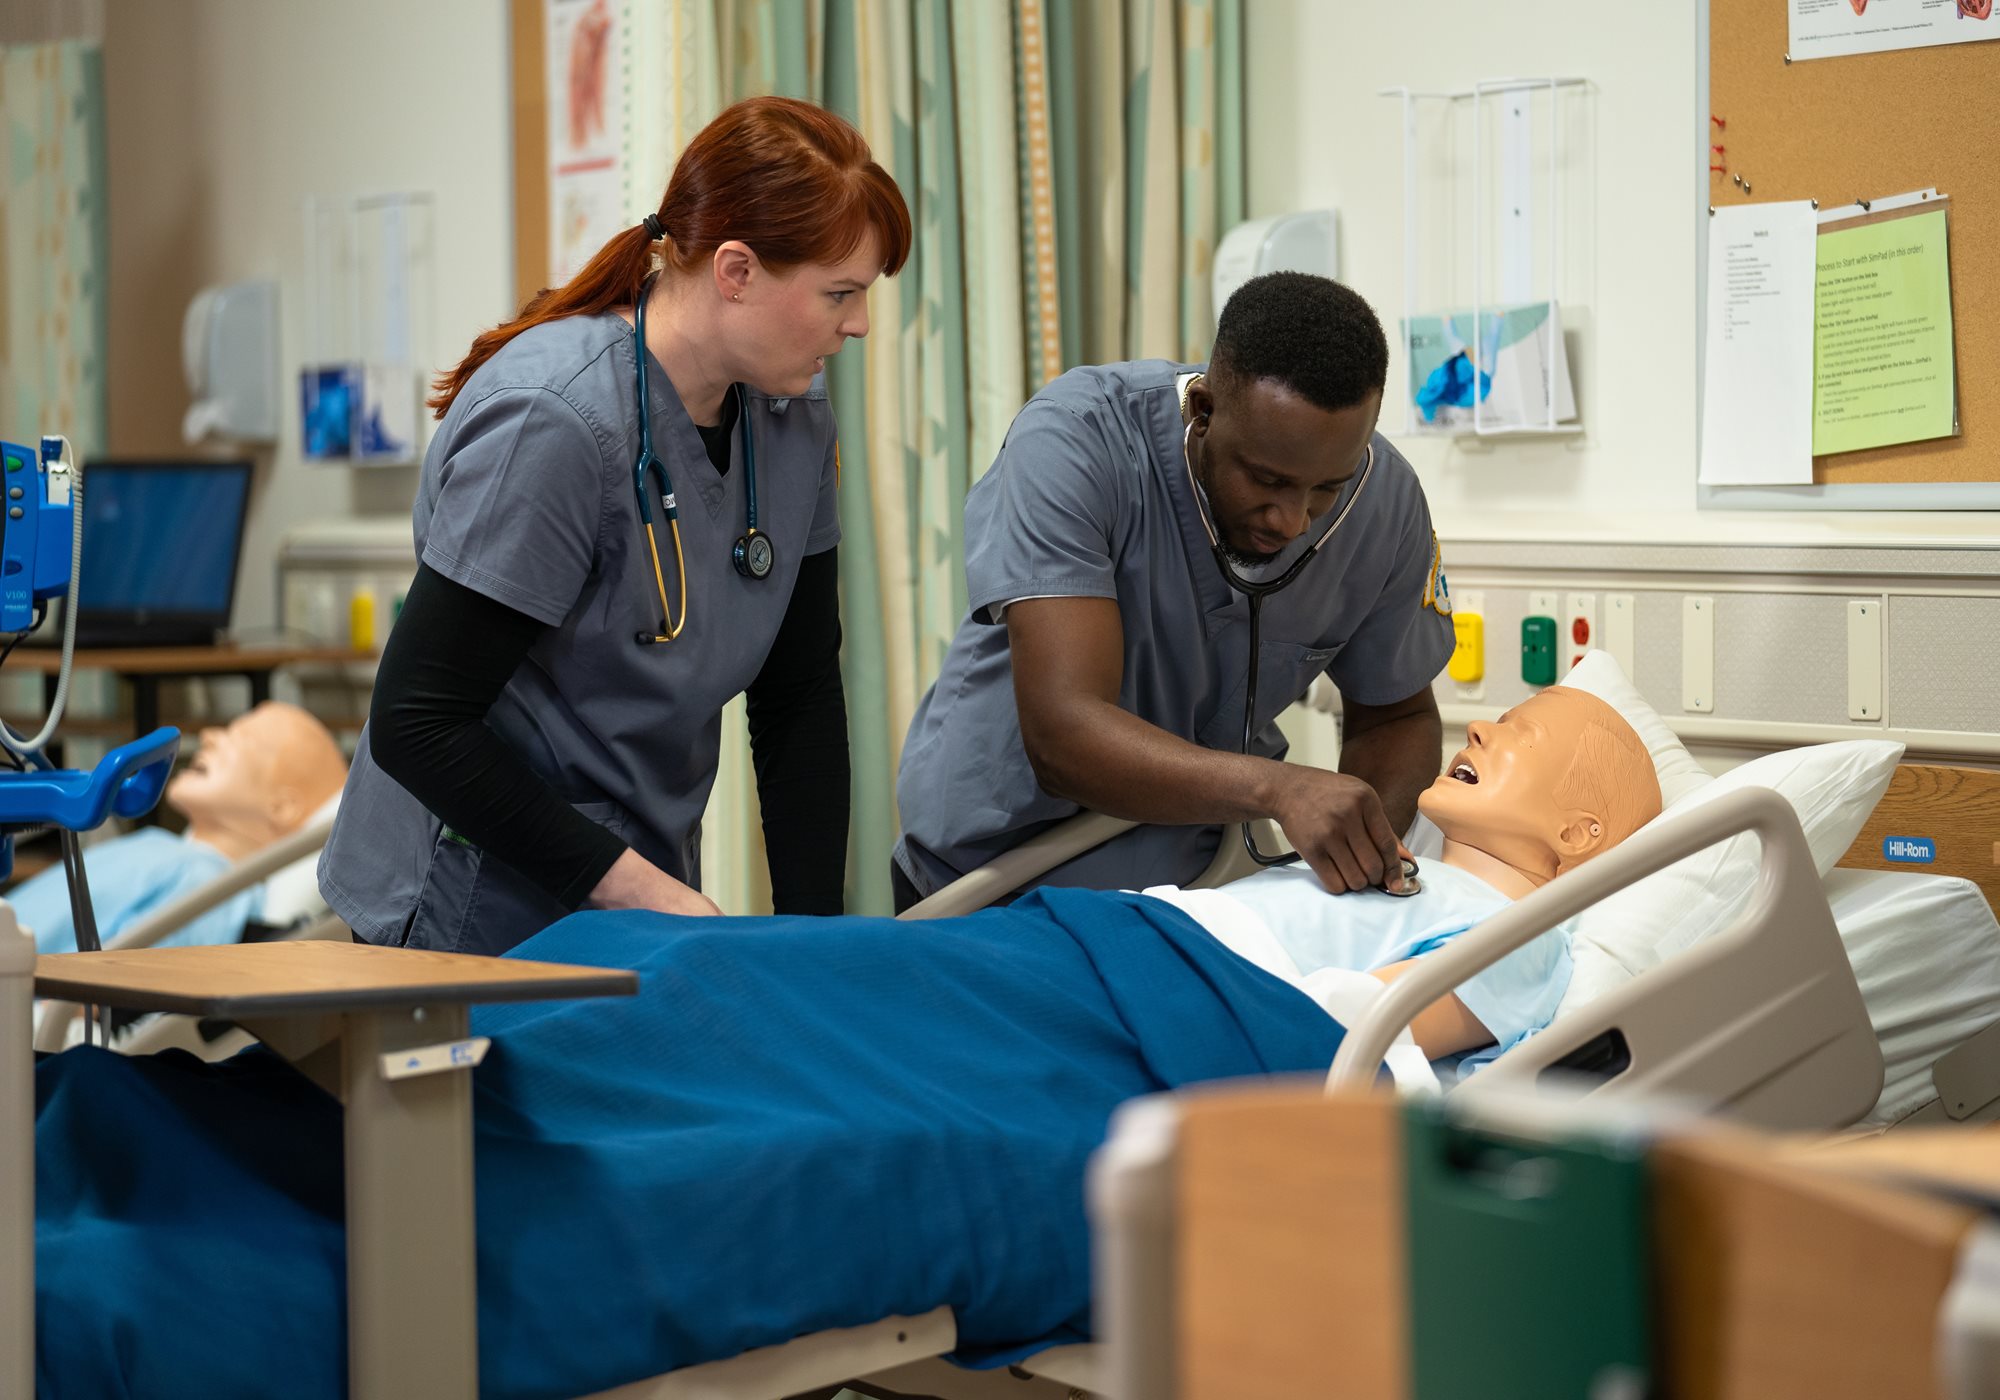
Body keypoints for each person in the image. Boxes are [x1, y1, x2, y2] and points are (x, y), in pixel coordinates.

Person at [35, 689, 1662, 1398]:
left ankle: (120, 1285)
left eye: (1540, 743)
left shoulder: (1532, 950)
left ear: (1587, 830)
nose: (1495, 723)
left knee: (706, 1149)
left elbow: (1381, 1045)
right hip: (1042, 972)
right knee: (642, 983)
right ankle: (97, 1137)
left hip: (1132, 1056)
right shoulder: (1367, 854)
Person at [318, 97, 911, 956]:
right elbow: (420, 723)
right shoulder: (554, 423)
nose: (858, 324)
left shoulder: (792, 419)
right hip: (473, 892)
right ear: (736, 272)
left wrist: (808, 952)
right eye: (841, 293)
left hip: (639, 894)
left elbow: (798, 697)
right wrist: (646, 892)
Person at [892, 271, 1457, 912]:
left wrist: (1351, 877)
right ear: (1204, 409)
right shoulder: (1077, 441)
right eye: (1266, 479)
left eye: (1327, 487)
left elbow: (1400, 717)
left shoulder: (1386, 504)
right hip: (994, 879)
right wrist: (1281, 789)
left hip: (1202, 891)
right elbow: (1063, 734)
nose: (1292, 520)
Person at [11, 703, 347, 955]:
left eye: (242, 738)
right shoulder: (167, 849)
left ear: (282, 808)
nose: (209, 736)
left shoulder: (212, 888)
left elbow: (106, 995)